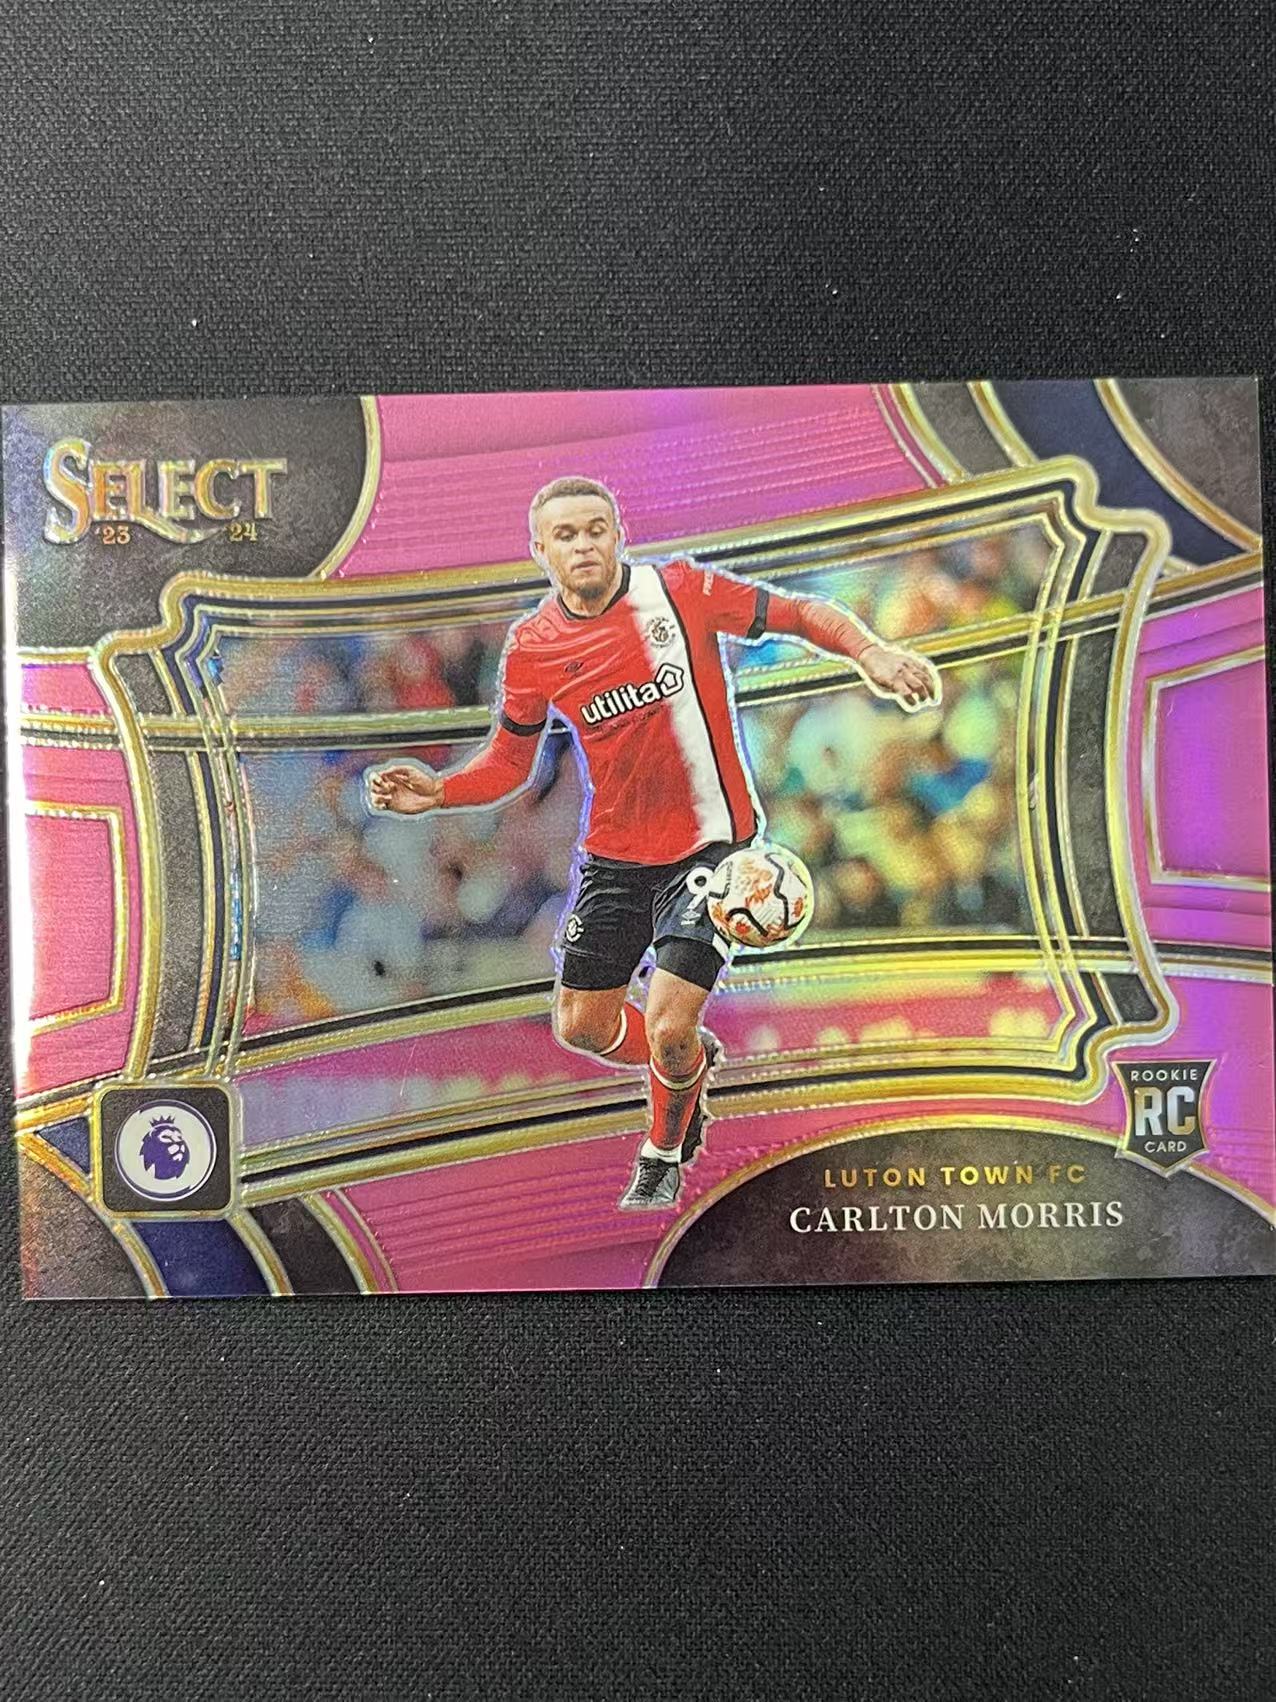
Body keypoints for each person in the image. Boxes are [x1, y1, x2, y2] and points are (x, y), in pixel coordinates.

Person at [368, 477, 939, 1210]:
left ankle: (663, 1151)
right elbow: (511, 764)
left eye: (596, 529)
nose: (584, 545)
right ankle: (686, 1067)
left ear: (619, 535)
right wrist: (440, 791)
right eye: (566, 534)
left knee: (669, 1024)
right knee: (582, 1027)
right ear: (540, 549)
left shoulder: (680, 592)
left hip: (712, 852)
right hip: (614, 860)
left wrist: (871, 653)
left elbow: (798, 611)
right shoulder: (533, 647)